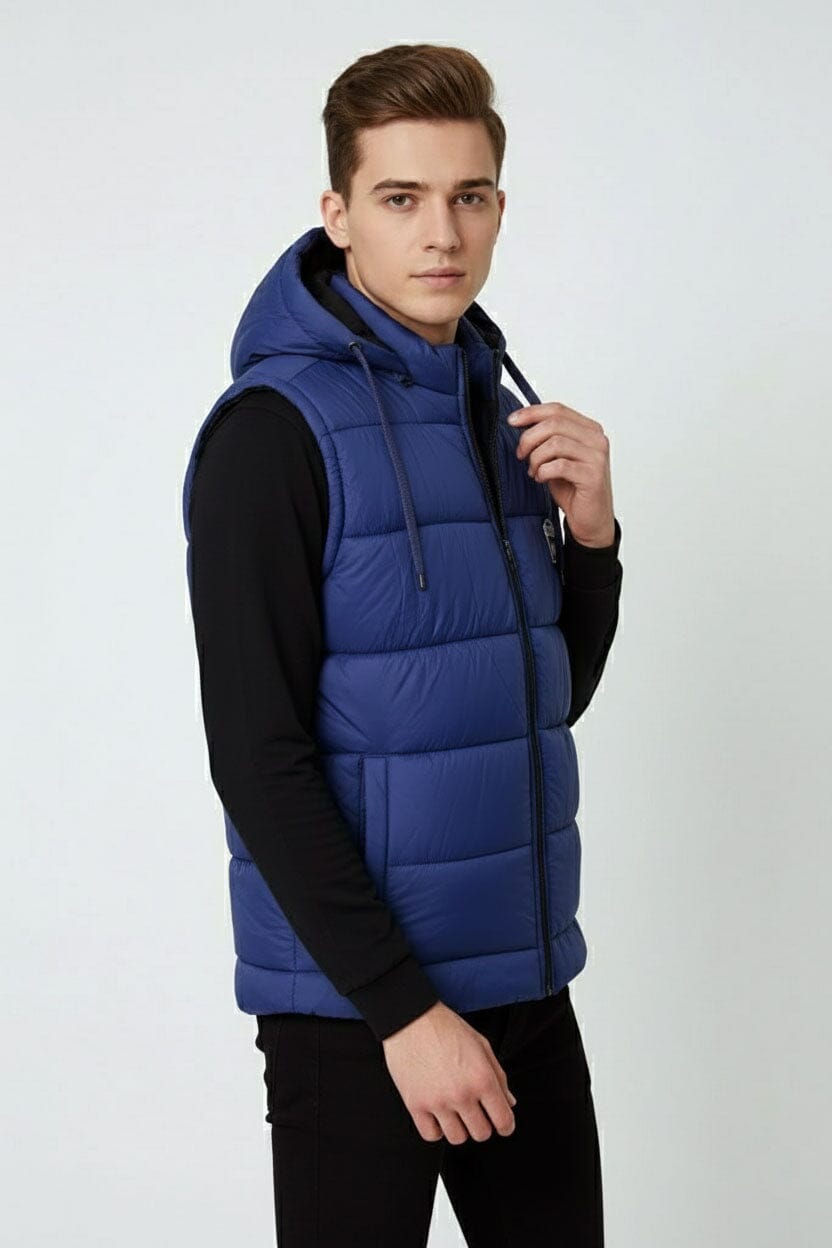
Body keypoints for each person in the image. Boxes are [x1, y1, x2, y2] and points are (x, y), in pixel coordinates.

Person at [182, 41, 622, 1247]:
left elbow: (542, 699)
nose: (442, 234)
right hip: (358, 1017)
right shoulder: (270, 437)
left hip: (526, 984)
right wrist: (401, 1013)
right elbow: (257, 758)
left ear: (498, 209)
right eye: (400, 197)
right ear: (337, 214)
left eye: (468, 196)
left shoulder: (496, 413)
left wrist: (591, 541)